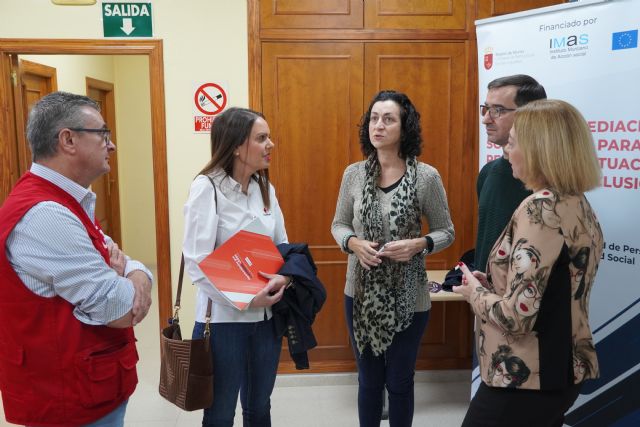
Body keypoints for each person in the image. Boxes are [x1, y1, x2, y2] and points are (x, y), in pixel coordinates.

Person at [0, 91, 153, 426]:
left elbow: (127, 264)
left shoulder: (68, 201)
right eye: (102, 134)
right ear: (67, 139)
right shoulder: (46, 214)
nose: (111, 146)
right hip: (69, 400)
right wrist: (123, 277)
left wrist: (134, 274)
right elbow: (120, 309)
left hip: (92, 389)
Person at [454, 99, 603, 427]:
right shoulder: (577, 202)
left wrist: (474, 293)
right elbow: (555, 285)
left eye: (512, 143)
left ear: (539, 150)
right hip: (564, 367)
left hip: (526, 376)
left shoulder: (539, 210)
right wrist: (495, 282)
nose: (506, 153)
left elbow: (515, 317)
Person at [331, 90, 455, 426]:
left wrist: (419, 244)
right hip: (360, 295)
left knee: (399, 381)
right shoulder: (353, 174)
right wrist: (353, 243)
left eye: (389, 119)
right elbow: (338, 224)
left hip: (410, 297)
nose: (379, 126)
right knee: (369, 381)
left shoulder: (426, 177)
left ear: (405, 127)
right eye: (374, 118)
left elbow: (447, 231)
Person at [183, 107, 291, 427]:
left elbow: (283, 245)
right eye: (261, 138)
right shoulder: (208, 188)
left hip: (267, 319)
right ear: (235, 146)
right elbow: (197, 263)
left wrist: (284, 277)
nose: (270, 144)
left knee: (259, 408)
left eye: (269, 137)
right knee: (220, 412)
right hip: (223, 322)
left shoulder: (264, 188)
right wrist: (247, 298)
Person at [475, 74, 547, 272]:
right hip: (483, 297)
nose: (485, 119)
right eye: (486, 108)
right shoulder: (488, 173)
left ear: (530, 115)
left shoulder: (549, 181)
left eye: (497, 110)